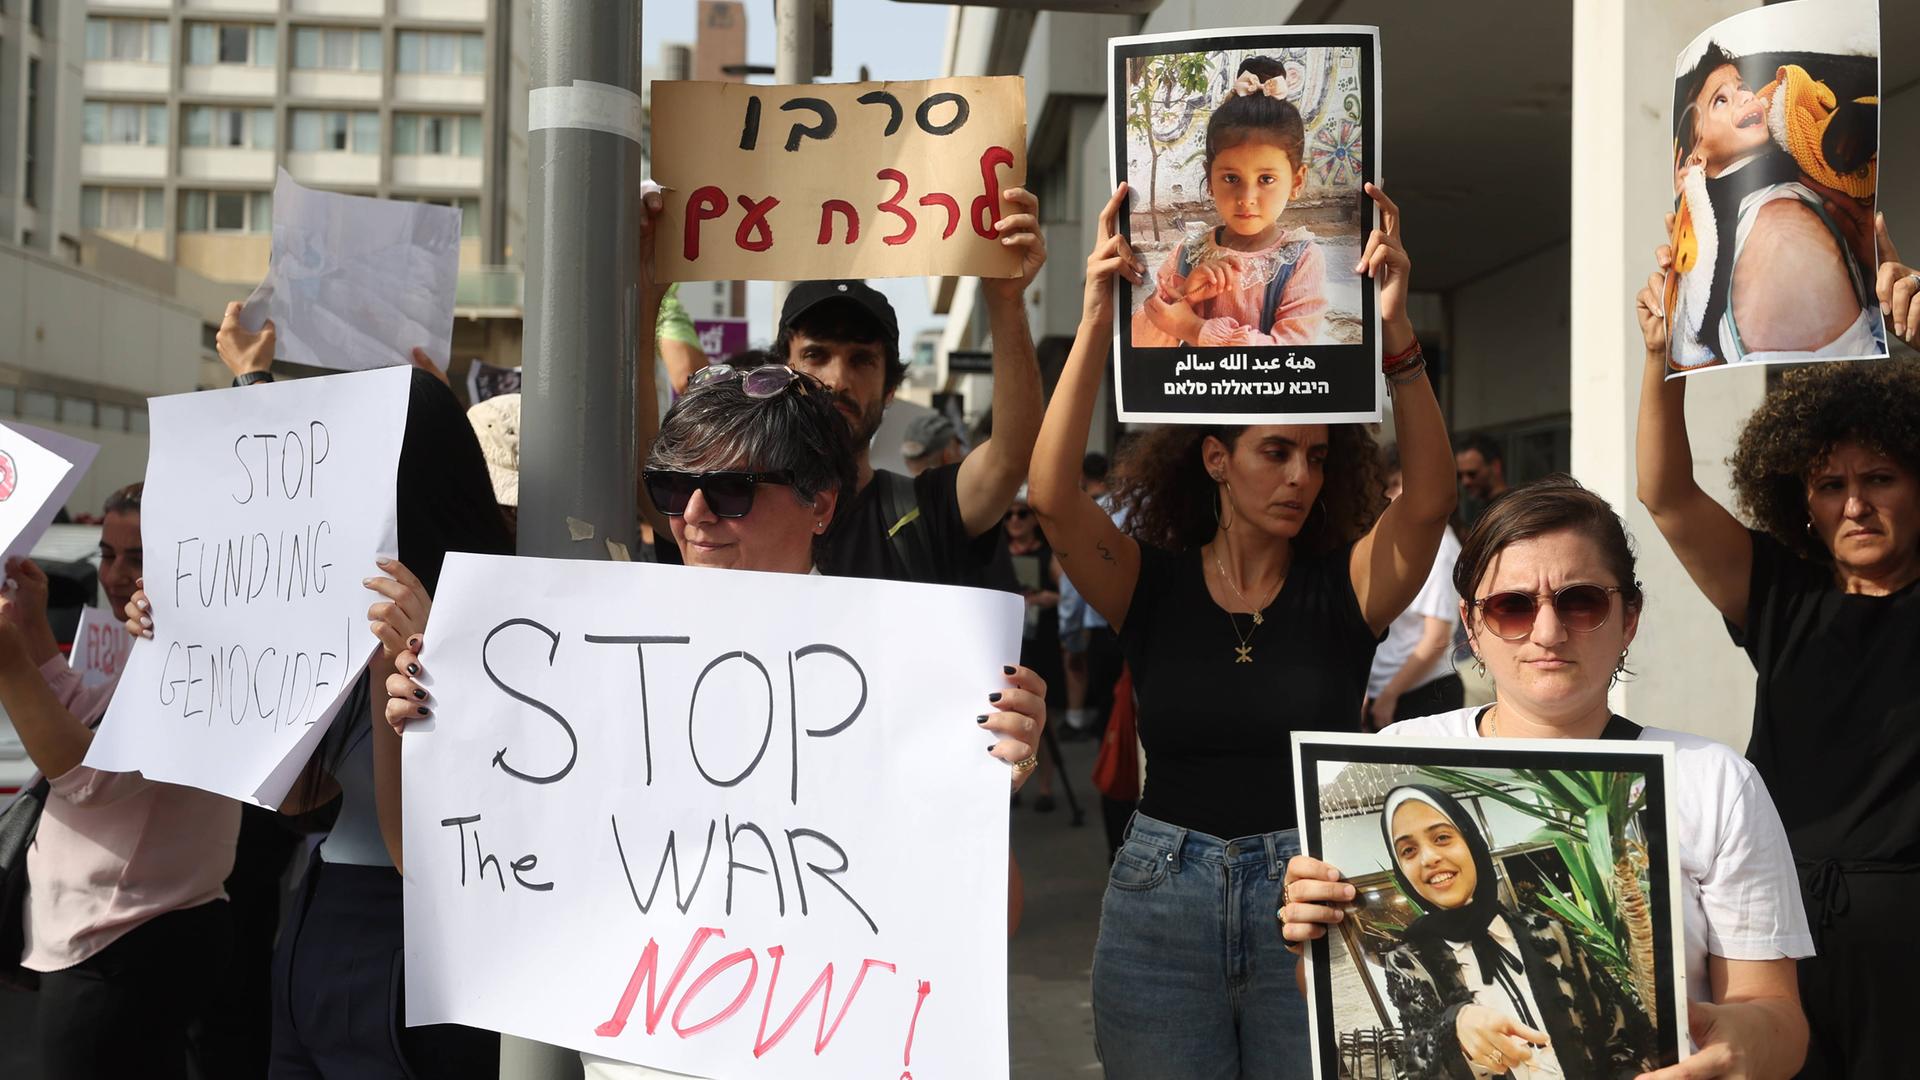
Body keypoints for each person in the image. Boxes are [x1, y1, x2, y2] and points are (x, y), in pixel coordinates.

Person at [379, 360, 1051, 1080]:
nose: (694, 514)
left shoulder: (900, 677)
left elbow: (991, 926)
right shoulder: (588, 659)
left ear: (820, 503)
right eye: (670, 486)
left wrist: (988, 791)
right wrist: (423, 733)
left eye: (732, 491)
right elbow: (427, 865)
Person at [1034, 180, 1454, 1077]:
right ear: (1217, 460)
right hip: (1159, 905)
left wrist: (1396, 337)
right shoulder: (1150, 584)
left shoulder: (1345, 590)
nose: (1300, 476)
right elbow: (1053, 497)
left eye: (1315, 455)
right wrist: (1097, 323)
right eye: (1275, 452)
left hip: (1312, 901)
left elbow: (1429, 503)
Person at [1284, 477, 1813, 1080]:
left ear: (1629, 617)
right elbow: (1333, 1003)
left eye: (1580, 600)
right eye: (1512, 606)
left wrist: (1745, 1041)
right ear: (1472, 624)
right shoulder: (1394, 754)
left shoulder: (1714, 781)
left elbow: (1777, 1016)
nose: (1547, 632)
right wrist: (1314, 932)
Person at [175, 310, 513, 1078]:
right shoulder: (348, 607)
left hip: (412, 937)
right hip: (318, 916)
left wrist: (409, 670)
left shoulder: (489, 630)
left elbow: (411, 853)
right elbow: (298, 799)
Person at [1635, 239, 1918, 1077]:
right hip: (1771, 928)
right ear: (1801, 498)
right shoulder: (1782, 596)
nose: (1856, 504)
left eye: (1882, 478)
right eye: (1831, 485)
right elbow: (1665, 494)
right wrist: (1662, 356)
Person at [1, 484, 239, 1080]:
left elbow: (86, 776)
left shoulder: (194, 654)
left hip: (123, 940)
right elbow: (93, 720)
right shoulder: (170, 643)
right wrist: (31, 628)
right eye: (108, 554)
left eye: (138, 557)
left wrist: (9, 662)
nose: (115, 574)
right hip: (121, 934)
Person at [743, 187, 1043, 588]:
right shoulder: (730, 504)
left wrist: (1005, 301)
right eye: (816, 355)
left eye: (862, 360)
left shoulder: (927, 510)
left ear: (890, 389)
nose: (837, 380)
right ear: (783, 371)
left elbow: (1011, 456)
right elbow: (642, 480)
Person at [1373, 783, 1653, 1078]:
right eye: (1408, 850)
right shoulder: (1410, 961)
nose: (1428, 858)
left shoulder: (1547, 934)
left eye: (1442, 837)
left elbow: (1617, 1034)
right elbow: (1421, 1061)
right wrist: (1454, 1023)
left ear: (1472, 842)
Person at [1664, 43, 1881, 367]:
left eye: (1743, 86)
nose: (1744, 96)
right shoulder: (1706, 219)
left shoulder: (1796, 144)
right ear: (1697, 155)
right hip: (1768, 355)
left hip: (1861, 343)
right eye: (1720, 100)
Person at [1130, 55, 1328, 348]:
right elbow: (1142, 345)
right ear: (1209, 179)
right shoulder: (1189, 253)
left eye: (1266, 180)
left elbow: (1291, 357)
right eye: (1232, 179)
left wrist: (1196, 329)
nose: (1247, 199)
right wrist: (1183, 294)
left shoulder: (1300, 260)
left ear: (1296, 182)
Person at [1366, 443, 1465, 731]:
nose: (1389, 495)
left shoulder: (1440, 546)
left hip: (1422, 694)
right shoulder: (1390, 541)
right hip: (1387, 694)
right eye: (1386, 485)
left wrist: (1389, 694)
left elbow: (1436, 638)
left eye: (1397, 484)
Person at [1456, 433, 1510, 513]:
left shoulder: (1510, 508)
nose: (1465, 482)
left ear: (1496, 466)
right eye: (1459, 476)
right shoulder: (1485, 508)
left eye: (1472, 474)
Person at [901, 411, 964, 476]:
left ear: (907, 463)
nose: (962, 455)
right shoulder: (960, 484)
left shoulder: (898, 484)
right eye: (958, 449)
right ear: (947, 456)